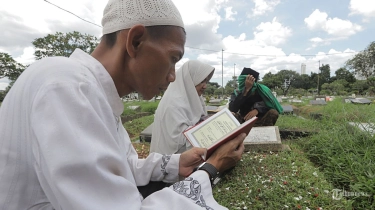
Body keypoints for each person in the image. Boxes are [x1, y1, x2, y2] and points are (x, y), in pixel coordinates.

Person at [0, 0, 246, 209]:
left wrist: (176, 163)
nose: (172, 76)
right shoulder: (68, 85)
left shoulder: (90, 89)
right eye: (173, 58)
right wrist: (210, 169)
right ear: (135, 41)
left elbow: (124, 164)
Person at [150, 60, 215, 155]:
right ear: (189, 80)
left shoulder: (194, 98)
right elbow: (179, 141)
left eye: (206, 81)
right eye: (201, 81)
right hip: (171, 162)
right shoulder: (174, 104)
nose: (205, 86)